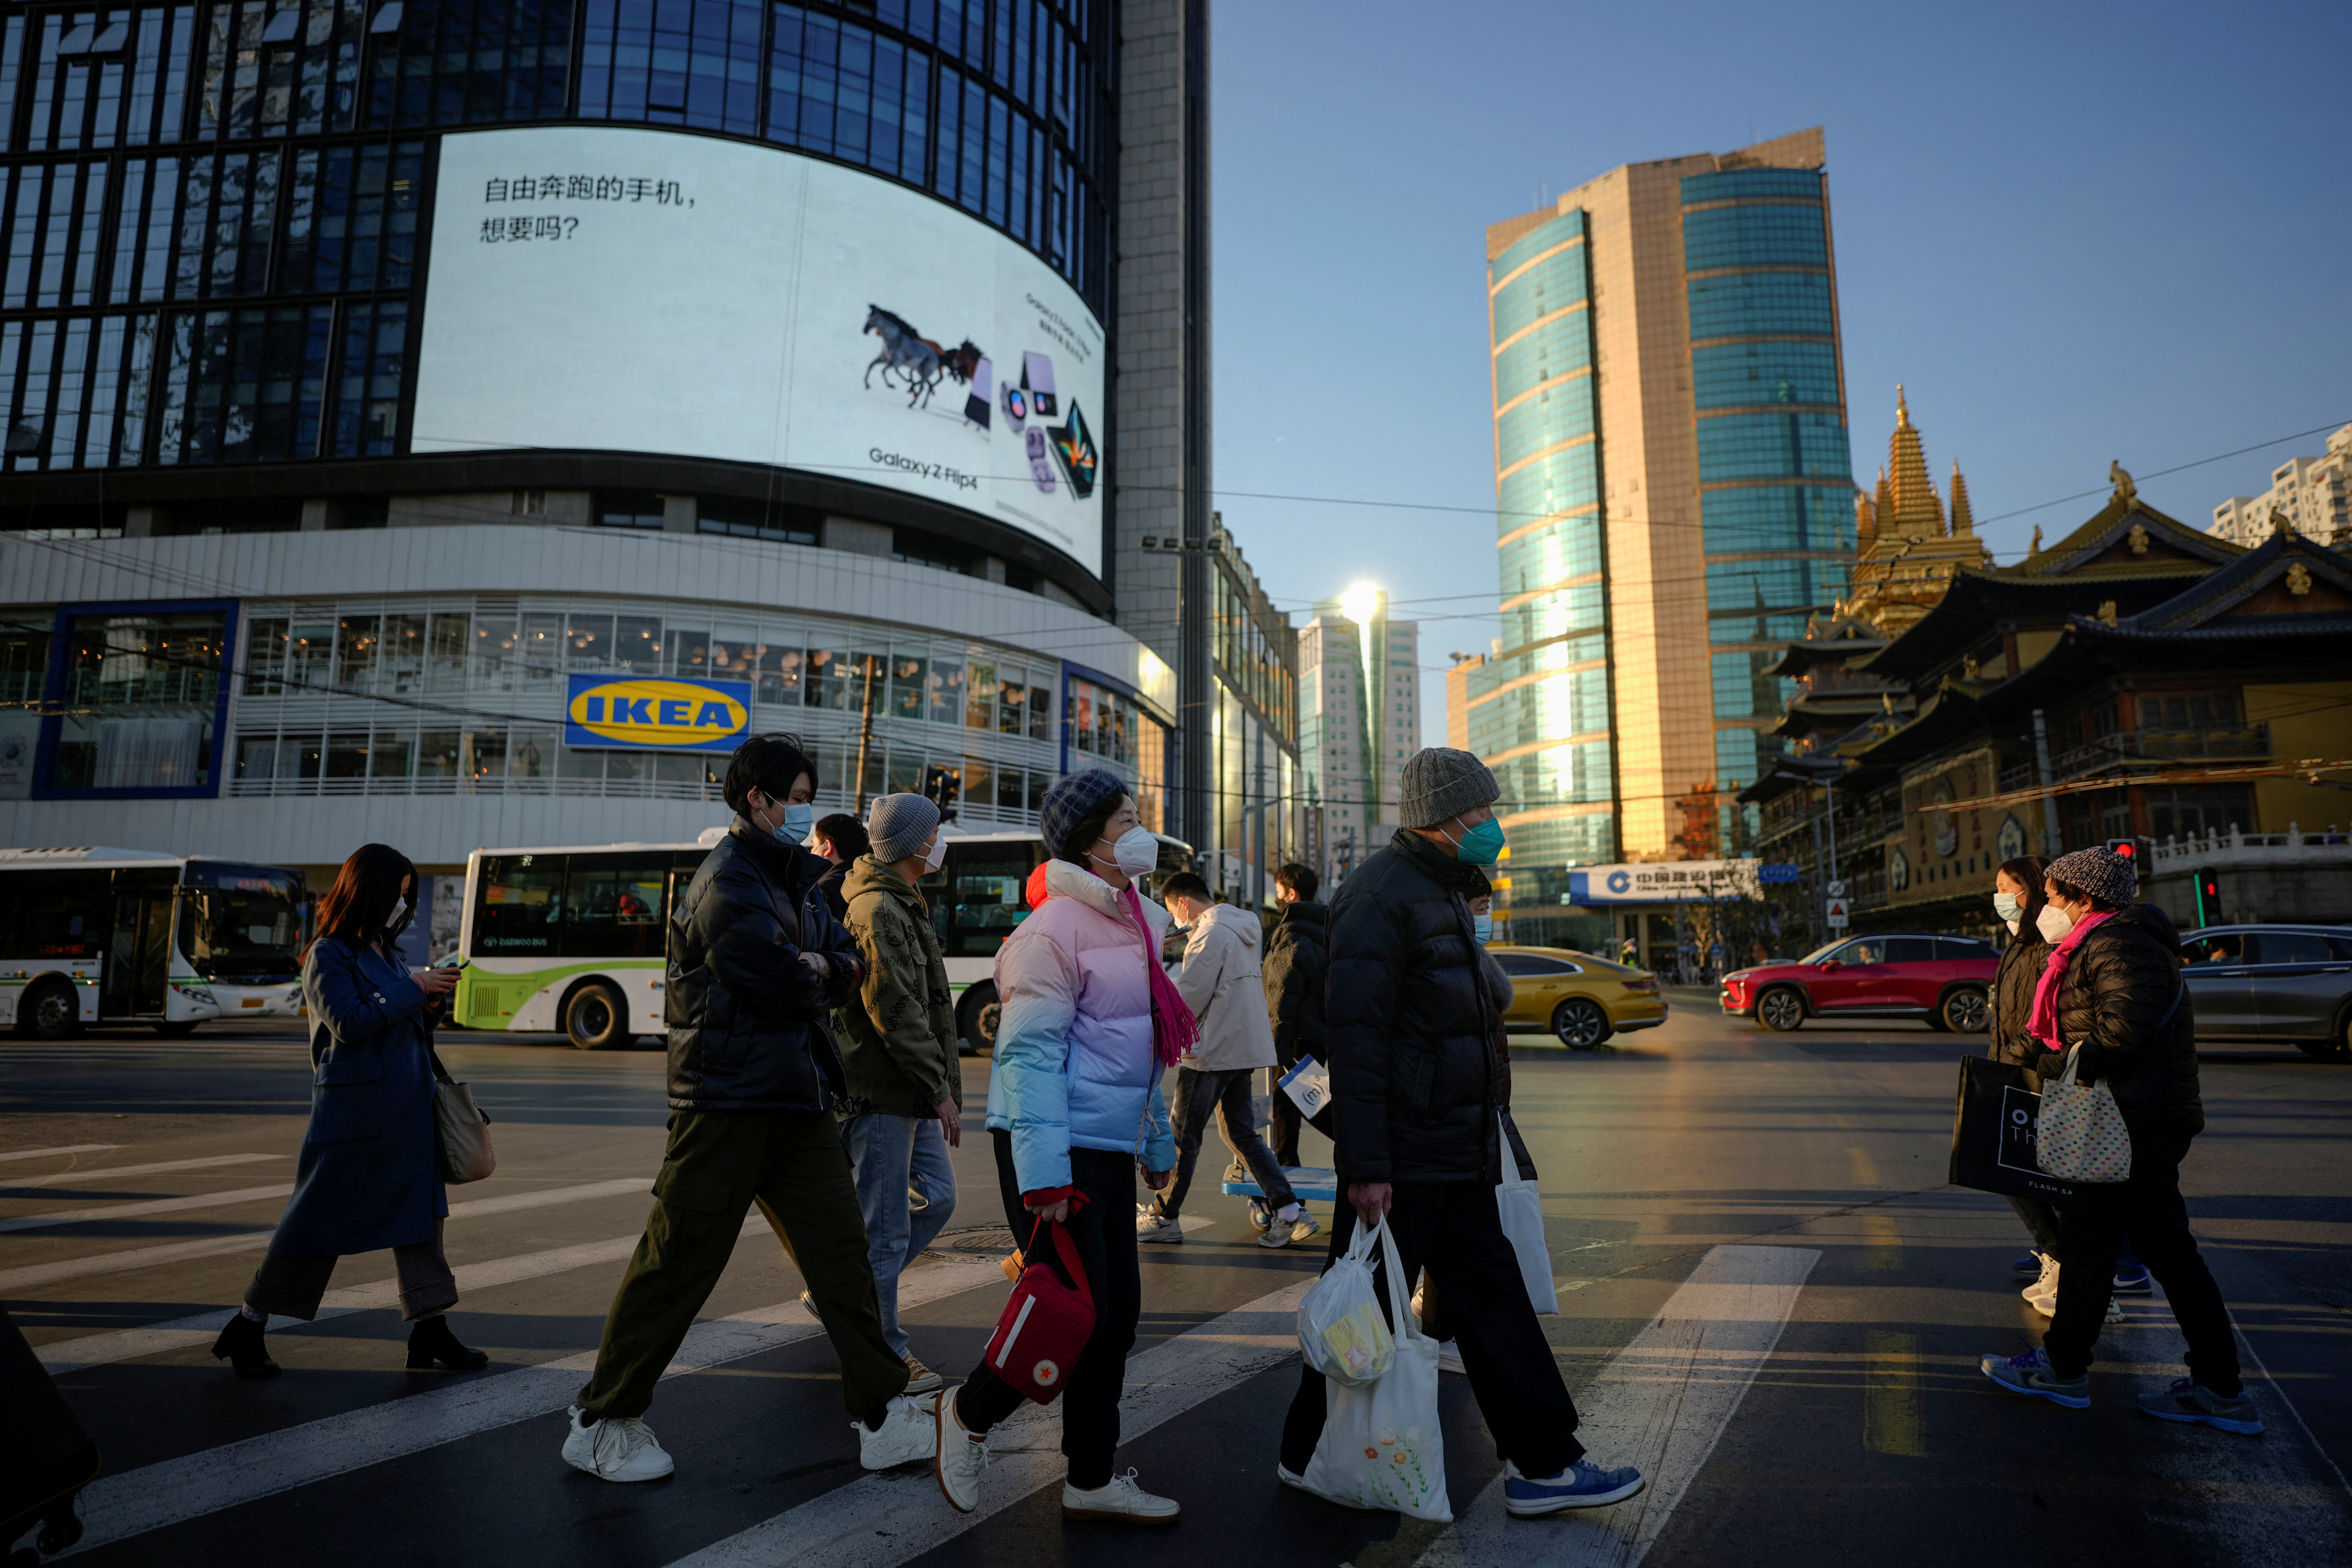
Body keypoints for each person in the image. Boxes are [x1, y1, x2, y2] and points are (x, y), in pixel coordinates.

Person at [1279, 748, 1645, 1517]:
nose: (1493, 825)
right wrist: (1367, 1161)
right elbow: (1361, 1036)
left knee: (1489, 1298)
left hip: (1453, 1146)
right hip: (1405, 1155)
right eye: (1481, 812)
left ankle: (1545, 1463)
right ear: (1442, 815)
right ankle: (1305, 1451)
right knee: (1366, 1302)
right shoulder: (1380, 893)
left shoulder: (1442, 888)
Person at [563, 734, 937, 1483]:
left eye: (807, 798)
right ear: (754, 800)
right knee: (677, 1265)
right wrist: (816, 967)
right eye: (792, 798)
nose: (803, 811)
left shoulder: (796, 882)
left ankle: (882, 1412)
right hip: (724, 1100)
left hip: (798, 1099)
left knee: (842, 1258)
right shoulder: (725, 882)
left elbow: (845, 966)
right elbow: (782, 983)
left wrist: (822, 963)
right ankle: (602, 1420)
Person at [934, 768, 1183, 1524]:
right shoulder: (1050, 932)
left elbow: (1143, 1047)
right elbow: (1029, 1059)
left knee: (1117, 1316)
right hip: (1053, 1151)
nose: (1140, 830)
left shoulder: (1139, 921)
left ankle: (1091, 1475)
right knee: (1073, 1311)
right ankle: (968, 1414)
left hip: (1105, 1143)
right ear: (1089, 840)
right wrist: (1045, 1177)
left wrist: (1156, 1137)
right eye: (1125, 820)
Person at [1979, 847, 2260, 1435]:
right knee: (2133, 1248)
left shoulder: (2119, 944)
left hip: (2132, 1120)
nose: (2045, 904)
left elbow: (2121, 1031)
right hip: (2131, 1116)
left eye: (2053, 895)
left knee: (2099, 1245)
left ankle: (2070, 1371)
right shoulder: (2103, 942)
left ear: (2084, 898)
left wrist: (2051, 1060)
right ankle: (2213, 1386)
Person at [214, 844, 476, 1379]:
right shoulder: (328, 954)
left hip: (410, 1112)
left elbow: (403, 1029)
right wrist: (414, 989)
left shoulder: (390, 953)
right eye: (397, 896)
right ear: (370, 892)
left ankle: (430, 1329)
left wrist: (428, 1004)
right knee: (314, 1225)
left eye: (409, 897)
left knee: (423, 1224)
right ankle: (247, 1324)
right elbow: (350, 1023)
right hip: (355, 1118)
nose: (403, 906)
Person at [834, 793, 962, 1394]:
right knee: (883, 1232)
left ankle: (846, 1290)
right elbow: (895, 1009)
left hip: (909, 1089)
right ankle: (886, 1354)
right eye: (935, 831)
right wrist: (938, 1088)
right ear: (913, 844)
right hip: (883, 1091)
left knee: (937, 1198)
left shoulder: (904, 899)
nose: (941, 839)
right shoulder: (878, 907)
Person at [1137, 872, 1315, 1250]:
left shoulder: (1210, 934)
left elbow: (1189, 999)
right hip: (1242, 1046)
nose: (1177, 920)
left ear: (1182, 903)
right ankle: (1288, 1210)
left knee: (1183, 1137)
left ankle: (1166, 1216)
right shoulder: (1240, 926)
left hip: (1212, 1051)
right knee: (1241, 1133)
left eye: (1173, 911)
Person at [1262, 863, 1329, 1171]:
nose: (1276, 898)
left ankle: (1286, 1179)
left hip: (1295, 1034)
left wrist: (1278, 1042)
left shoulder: (1293, 932)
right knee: (1307, 1100)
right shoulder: (1327, 927)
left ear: (1291, 893)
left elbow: (1283, 990)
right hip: (1318, 1031)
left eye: (1278, 891)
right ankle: (1287, 1173)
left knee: (1291, 1104)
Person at [812, 812, 871, 921]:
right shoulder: (870, 883)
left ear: (827, 847)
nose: (812, 852)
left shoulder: (823, 891)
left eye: (814, 846)